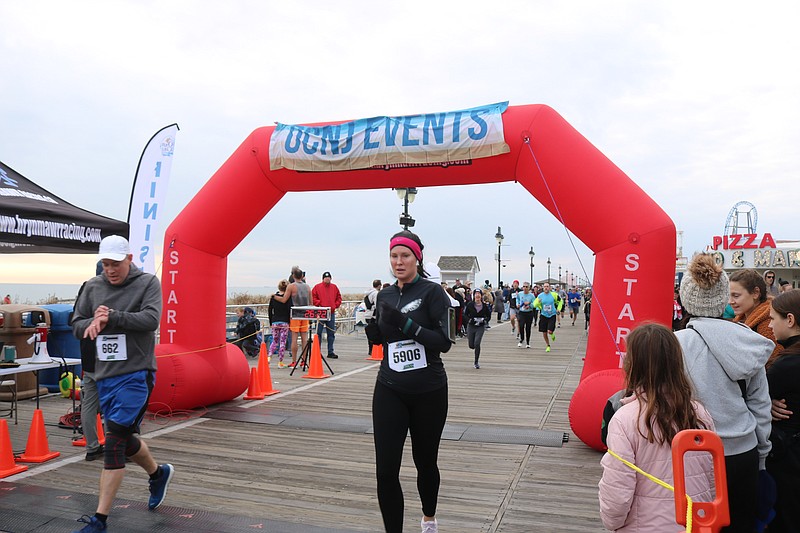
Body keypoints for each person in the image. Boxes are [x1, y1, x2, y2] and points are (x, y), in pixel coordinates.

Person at [71, 235, 173, 533]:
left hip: (136, 374)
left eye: (115, 264)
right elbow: (76, 324)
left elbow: (152, 320)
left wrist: (112, 317)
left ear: (129, 259)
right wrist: (92, 322)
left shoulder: (147, 284)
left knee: (114, 443)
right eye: (105, 264)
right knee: (124, 439)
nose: (110, 270)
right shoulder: (92, 286)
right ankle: (158, 473)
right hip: (104, 376)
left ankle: (99, 520)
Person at [675, 253, 774, 533]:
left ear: (686, 300)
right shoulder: (748, 342)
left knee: (694, 526)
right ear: (722, 299)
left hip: (691, 453)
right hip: (743, 452)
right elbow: (759, 405)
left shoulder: (673, 345)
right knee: (740, 525)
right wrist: (762, 456)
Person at [367, 230, 453, 533]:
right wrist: (375, 332)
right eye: (394, 256)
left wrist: (405, 323)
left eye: (405, 256)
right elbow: (387, 337)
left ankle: (429, 519)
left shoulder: (433, 293)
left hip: (429, 391)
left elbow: (444, 342)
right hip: (390, 389)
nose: (399, 261)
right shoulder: (385, 294)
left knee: (425, 462)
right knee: (385, 471)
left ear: (417, 258)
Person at [599, 323, 715, 532]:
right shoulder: (699, 412)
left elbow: (617, 489)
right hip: (695, 522)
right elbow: (712, 474)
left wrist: (613, 523)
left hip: (645, 525)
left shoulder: (625, 419)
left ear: (633, 365)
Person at [765, 289, 800, 532]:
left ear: (790, 320)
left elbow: (750, 401)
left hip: (789, 459)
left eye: (773, 318)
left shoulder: (786, 364)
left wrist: (764, 405)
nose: (769, 325)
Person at [730, 269, 782, 368]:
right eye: (729, 295)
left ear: (755, 293)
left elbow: (772, 365)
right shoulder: (743, 319)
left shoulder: (769, 324)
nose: (730, 301)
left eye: (736, 296)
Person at [272, 266, 311, 367]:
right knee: (304, 338)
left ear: (293, 276)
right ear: (302, 276)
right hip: (305, 313)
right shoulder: (307, 287)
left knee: (294, 338)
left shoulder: (291, 286)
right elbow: (311, 303)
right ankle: (304, 360)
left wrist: (274, 297)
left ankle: (294, 361)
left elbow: (284, 300)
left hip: (295, 313)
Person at [312, 271, 342, 359]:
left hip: (331, 313)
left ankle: (330, 351)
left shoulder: (334, 287)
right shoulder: (317, 287)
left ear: (330, 278)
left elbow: (339, 297)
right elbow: (313, 297)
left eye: (328, 278)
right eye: (325, 278)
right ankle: (317, 351)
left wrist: (335, 305)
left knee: (331, 333)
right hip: (321, 313)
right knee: (318, 333)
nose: (327, 279)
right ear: (323, 279)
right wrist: (319, 303)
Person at [464, 289, 491, 369]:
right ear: (474, 295)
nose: (477, 295)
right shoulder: (470, 305)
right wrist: (469, 320)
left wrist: (485, 320)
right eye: (476, 294)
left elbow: (488, 315)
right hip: (471, 326)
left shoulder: (484, 306)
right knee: (471, 345)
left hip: (480, 327)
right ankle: (474, 347)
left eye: (479, 294)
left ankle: (476, 361)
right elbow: (465, 315)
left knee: (477, 343)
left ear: (481, 296)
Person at [268, 280, 291, 367]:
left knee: (274, 340)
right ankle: (280, 361)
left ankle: (269, 356)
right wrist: (289, 321)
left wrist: (271, 321)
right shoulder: (287, 298)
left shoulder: (274, 297)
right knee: (282, 342)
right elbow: (289, 310)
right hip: (284, 321)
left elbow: (270, 310)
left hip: (275, 321)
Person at [533, 283, 561, 352]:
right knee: (544, 332)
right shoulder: (540, 296)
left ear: (550, 288)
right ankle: (548, 345)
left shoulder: (554, 295)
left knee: (549, 331)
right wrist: (538, 302)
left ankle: (552, 334)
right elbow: (534, 304)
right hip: (543, 315)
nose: (546, 288)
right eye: (545, 287)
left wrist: (558, 309)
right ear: (543, 288)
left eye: (547, 287)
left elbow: (560, 301)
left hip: (552, 315)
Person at [516, 282, 536, 349]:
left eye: (526, 287)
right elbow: (517, 299)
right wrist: (518, 304)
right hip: (522, 312)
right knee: (521, 326)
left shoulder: (532, 295)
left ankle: (528, 342)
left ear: (529, 288)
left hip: (529, 313)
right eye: (524, 286)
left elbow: (534, 304)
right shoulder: (520, 294)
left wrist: (529, 305)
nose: (525, 288)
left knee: (528, 327)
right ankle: (521, 339)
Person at [364, 279, 382, 356]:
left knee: (370, 332)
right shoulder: (376, 294)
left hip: (368, 314)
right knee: (374, 332)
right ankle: (373, 349)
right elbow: (377, 304)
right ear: (379, 285)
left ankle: (370, 349)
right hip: (373, 315)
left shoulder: (368, 293)